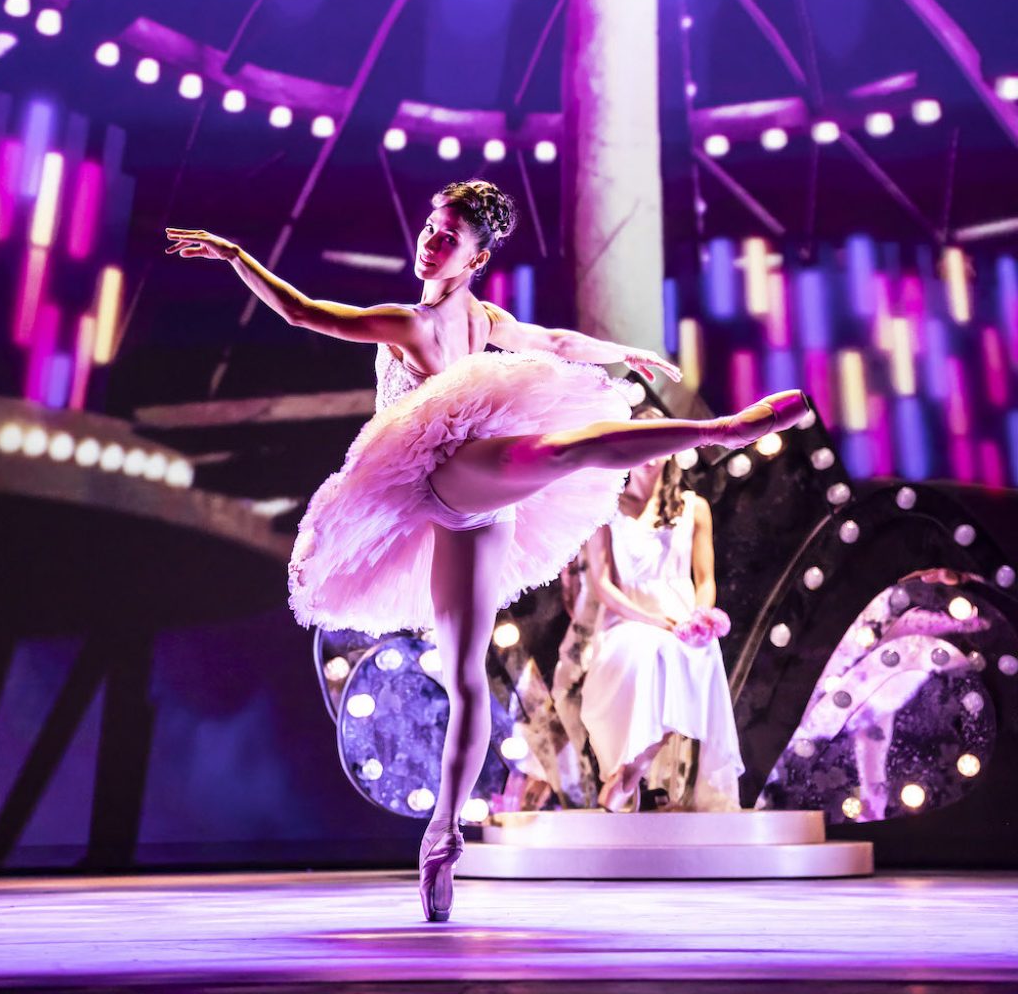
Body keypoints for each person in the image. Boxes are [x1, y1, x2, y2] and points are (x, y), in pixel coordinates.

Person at [166, 179, 807, 921]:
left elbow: (559, 344)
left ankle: (441, 837)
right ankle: (718, 432)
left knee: (467, 674)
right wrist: (237, 255)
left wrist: (626, 352)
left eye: (447, 237)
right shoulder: (405, 323)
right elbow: (306, 312)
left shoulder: (482, 318)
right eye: (431, 229)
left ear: (477, 258)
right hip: (444, 481)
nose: (429, 242)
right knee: (561, 451)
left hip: (479, 504)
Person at [580, 442, 744, 813]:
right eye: (641, 443)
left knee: (691, 661)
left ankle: (629, 773)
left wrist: (700, 617)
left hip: (682, 619)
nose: (650, 454)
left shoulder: (693, 507)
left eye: (658, 444)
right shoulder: (605, 509)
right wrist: (655, 621)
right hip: (628, 619)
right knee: (650, 651)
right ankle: (628, 772)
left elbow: (705, 578)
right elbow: (602, 585)